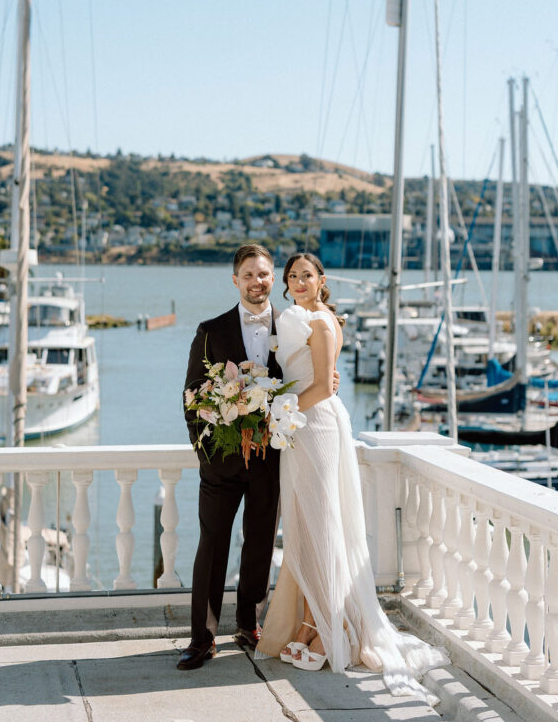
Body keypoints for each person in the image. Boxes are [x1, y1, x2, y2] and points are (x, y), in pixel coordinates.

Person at [256, 253, 446, 698]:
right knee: (304, 529)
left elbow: (322, 386)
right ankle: (307, 623)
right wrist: (278, 410)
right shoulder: (297, 318)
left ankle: (329, 630)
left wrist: (276, 415)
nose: (299, 281)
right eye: (292, 276)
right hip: (297, 427)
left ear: (322, 280)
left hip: (315, 424)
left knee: (325, 528)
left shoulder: (322, 323)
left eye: (307, 275)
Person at [177, 243, 282, 670]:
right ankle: (202, 639)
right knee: (212, 547)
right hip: (221, 464)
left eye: (264, 274)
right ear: (235, 280)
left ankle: (248, 624)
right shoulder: (211, 330)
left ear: (273, 278)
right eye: (249, 275)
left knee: (259, 546)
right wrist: (206, 453)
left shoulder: (293, 327)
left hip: (271, 461)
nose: (257, 282)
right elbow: (190, 397)